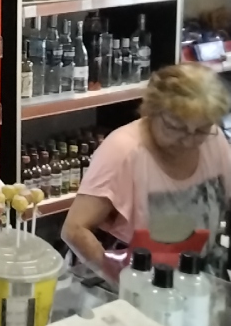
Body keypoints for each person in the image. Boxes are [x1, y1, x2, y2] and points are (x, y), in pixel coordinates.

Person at [62, 63, 231, 281]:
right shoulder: (123, 150)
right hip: (138, 280)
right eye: (176, 127)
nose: (189, 140)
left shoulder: (214, 139)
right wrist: (120, 283)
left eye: (200, 130)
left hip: (201, 277)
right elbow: (74, 230)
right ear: (151, 111)